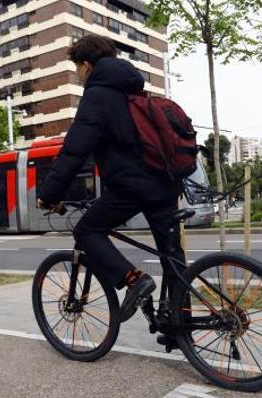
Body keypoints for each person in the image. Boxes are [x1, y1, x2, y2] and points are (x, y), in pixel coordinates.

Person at [36, 35, 184, 322]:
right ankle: (180, 323)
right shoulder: (134, 91)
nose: (77, 75)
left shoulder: (98, 95)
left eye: (76, 68)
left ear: (87, 65)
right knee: (172, 258)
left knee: (87, 231)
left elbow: (74, 151)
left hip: (132, 186)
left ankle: (134, 279)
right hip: (165, 183)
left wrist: (50, 194)